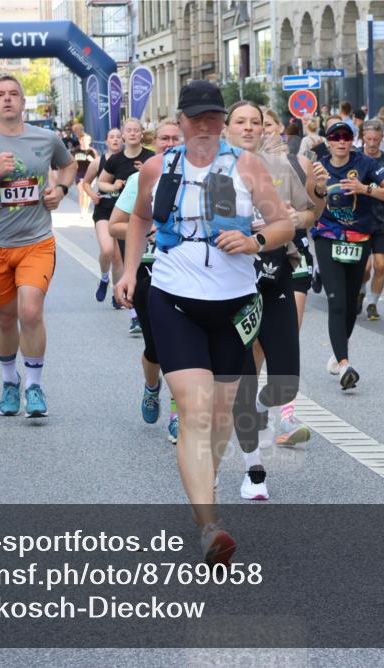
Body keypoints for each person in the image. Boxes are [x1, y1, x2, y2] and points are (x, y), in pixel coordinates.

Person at [113, 80, 293, 564]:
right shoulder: (157, 166)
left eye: (215, 117)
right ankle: (209, 525)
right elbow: (138, 219)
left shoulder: (247, 165)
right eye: (198, 119)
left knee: (218, 418)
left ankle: (204, 484)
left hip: (235, 306)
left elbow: (283, 224)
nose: (207, 127)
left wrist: (256, 242)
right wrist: (130, 271)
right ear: (182, 120)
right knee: (194, 408)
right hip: (174, 300)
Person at [0, 74, 76, 417]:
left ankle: (34, 386)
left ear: (24, 103)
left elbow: (68, 166)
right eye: (0, 95)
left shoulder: (47, 138)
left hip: (36, 242)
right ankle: (10, 380)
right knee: (6, 318)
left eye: (14, 94)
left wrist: (62, 190)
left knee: (30, 311)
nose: (8, 99)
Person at [223, 101, 322, 499]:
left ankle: (266, 408)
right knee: (243, 381)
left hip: (276, 275)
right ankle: (254, 473)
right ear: (225, 128)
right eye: (241, 122)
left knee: (284, 382)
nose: (250, 128)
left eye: (257, 122)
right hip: (232, 286)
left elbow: (308, 215)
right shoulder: (214, 171)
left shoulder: (281, 168)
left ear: (266, 128)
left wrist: (288, 220)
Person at [108, 118, 183, 442]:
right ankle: (152, 386)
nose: (168, 143)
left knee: (181, 346)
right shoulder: (142, 177)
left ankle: (178, 412)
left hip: (185, 271)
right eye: (163, 138)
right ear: (157, 141)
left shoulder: (202, 178)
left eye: (174, 138)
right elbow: (115, 225)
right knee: (156, 348)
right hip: (147, 268)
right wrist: (149, 229)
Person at [314, 119, 384, 389]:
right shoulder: (318, 165)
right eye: (335, 136)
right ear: (328, 140)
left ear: (353, 140)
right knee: (336, 302)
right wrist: (317, 189)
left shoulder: (366, 165)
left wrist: (366, 189)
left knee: (350, 304)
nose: (341, 141)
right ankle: (344, 364)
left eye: (346, 136)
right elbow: (305, 199)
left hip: (359, 239)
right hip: (327, 237)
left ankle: (339, 354)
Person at [98, 118, 154, 309]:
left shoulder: (151, 157)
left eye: (135, 130)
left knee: (143, 262)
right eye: (128, 130)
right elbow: (101, 183)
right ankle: (128, 304)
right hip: (121, 215)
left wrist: (146, 172)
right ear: (124, 134)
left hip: (146, 215)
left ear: (141, 134)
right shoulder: (116, 159)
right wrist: (113, 186)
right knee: (123, 259)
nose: (132, 133)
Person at [357, 120, 384, 321]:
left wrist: (371, 190)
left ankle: (373, 303)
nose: (372, 143)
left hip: (381, 219)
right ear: (363, 137)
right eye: (369, 139)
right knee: (365, 267)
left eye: (376, 139)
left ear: (382, 138)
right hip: (359, 219)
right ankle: (361, 289)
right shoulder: (355, 157)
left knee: (380, 265)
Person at [81, 127, 125, 304]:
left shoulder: (128, 161)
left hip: (122, 210)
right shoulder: (98, 161)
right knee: (107, 250)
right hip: (104, 209)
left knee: (118, 256)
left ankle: (117, 294)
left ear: (122, 140)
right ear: (106, 141)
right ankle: (104, 278)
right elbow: (85, 183)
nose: (115, 140)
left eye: (118, 137)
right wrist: (92, 195)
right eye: (111, 137)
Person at [71, 124, 98, 216]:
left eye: (86, 140)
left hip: (90, 174)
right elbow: (71, 162)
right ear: (79, 140)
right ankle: (82, 210)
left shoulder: (92, 151)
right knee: (82, 191)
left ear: (89, 141)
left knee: (87, 193)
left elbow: (98, 164)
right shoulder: (75, 151)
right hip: (79, 173)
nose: (84, 141)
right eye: (82, 140)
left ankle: (86, 209)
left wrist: (92, 160)